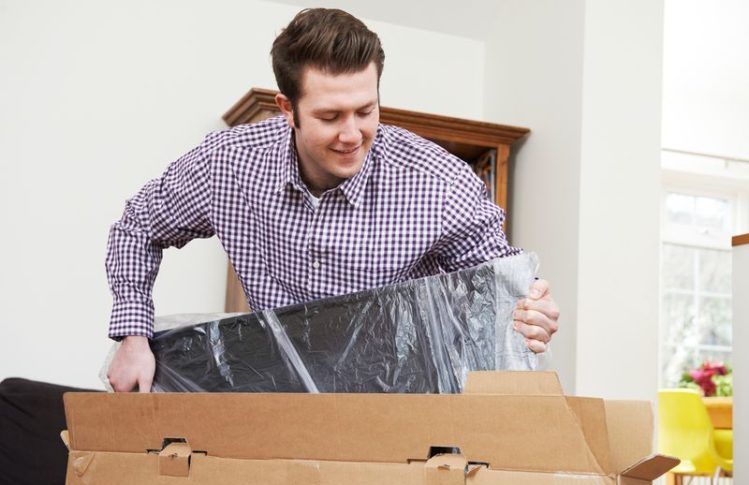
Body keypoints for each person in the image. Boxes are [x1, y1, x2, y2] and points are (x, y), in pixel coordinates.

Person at [106, 8, 559, 393]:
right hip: (275, 395)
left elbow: (501, 286)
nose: (351, 134)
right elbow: (138, 227)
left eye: (366, 111)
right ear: (288, 108)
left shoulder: (436, 181)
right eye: (329, 116)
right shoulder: (229, 165)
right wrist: (133, 337)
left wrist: (532, 310)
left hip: (404, 405)